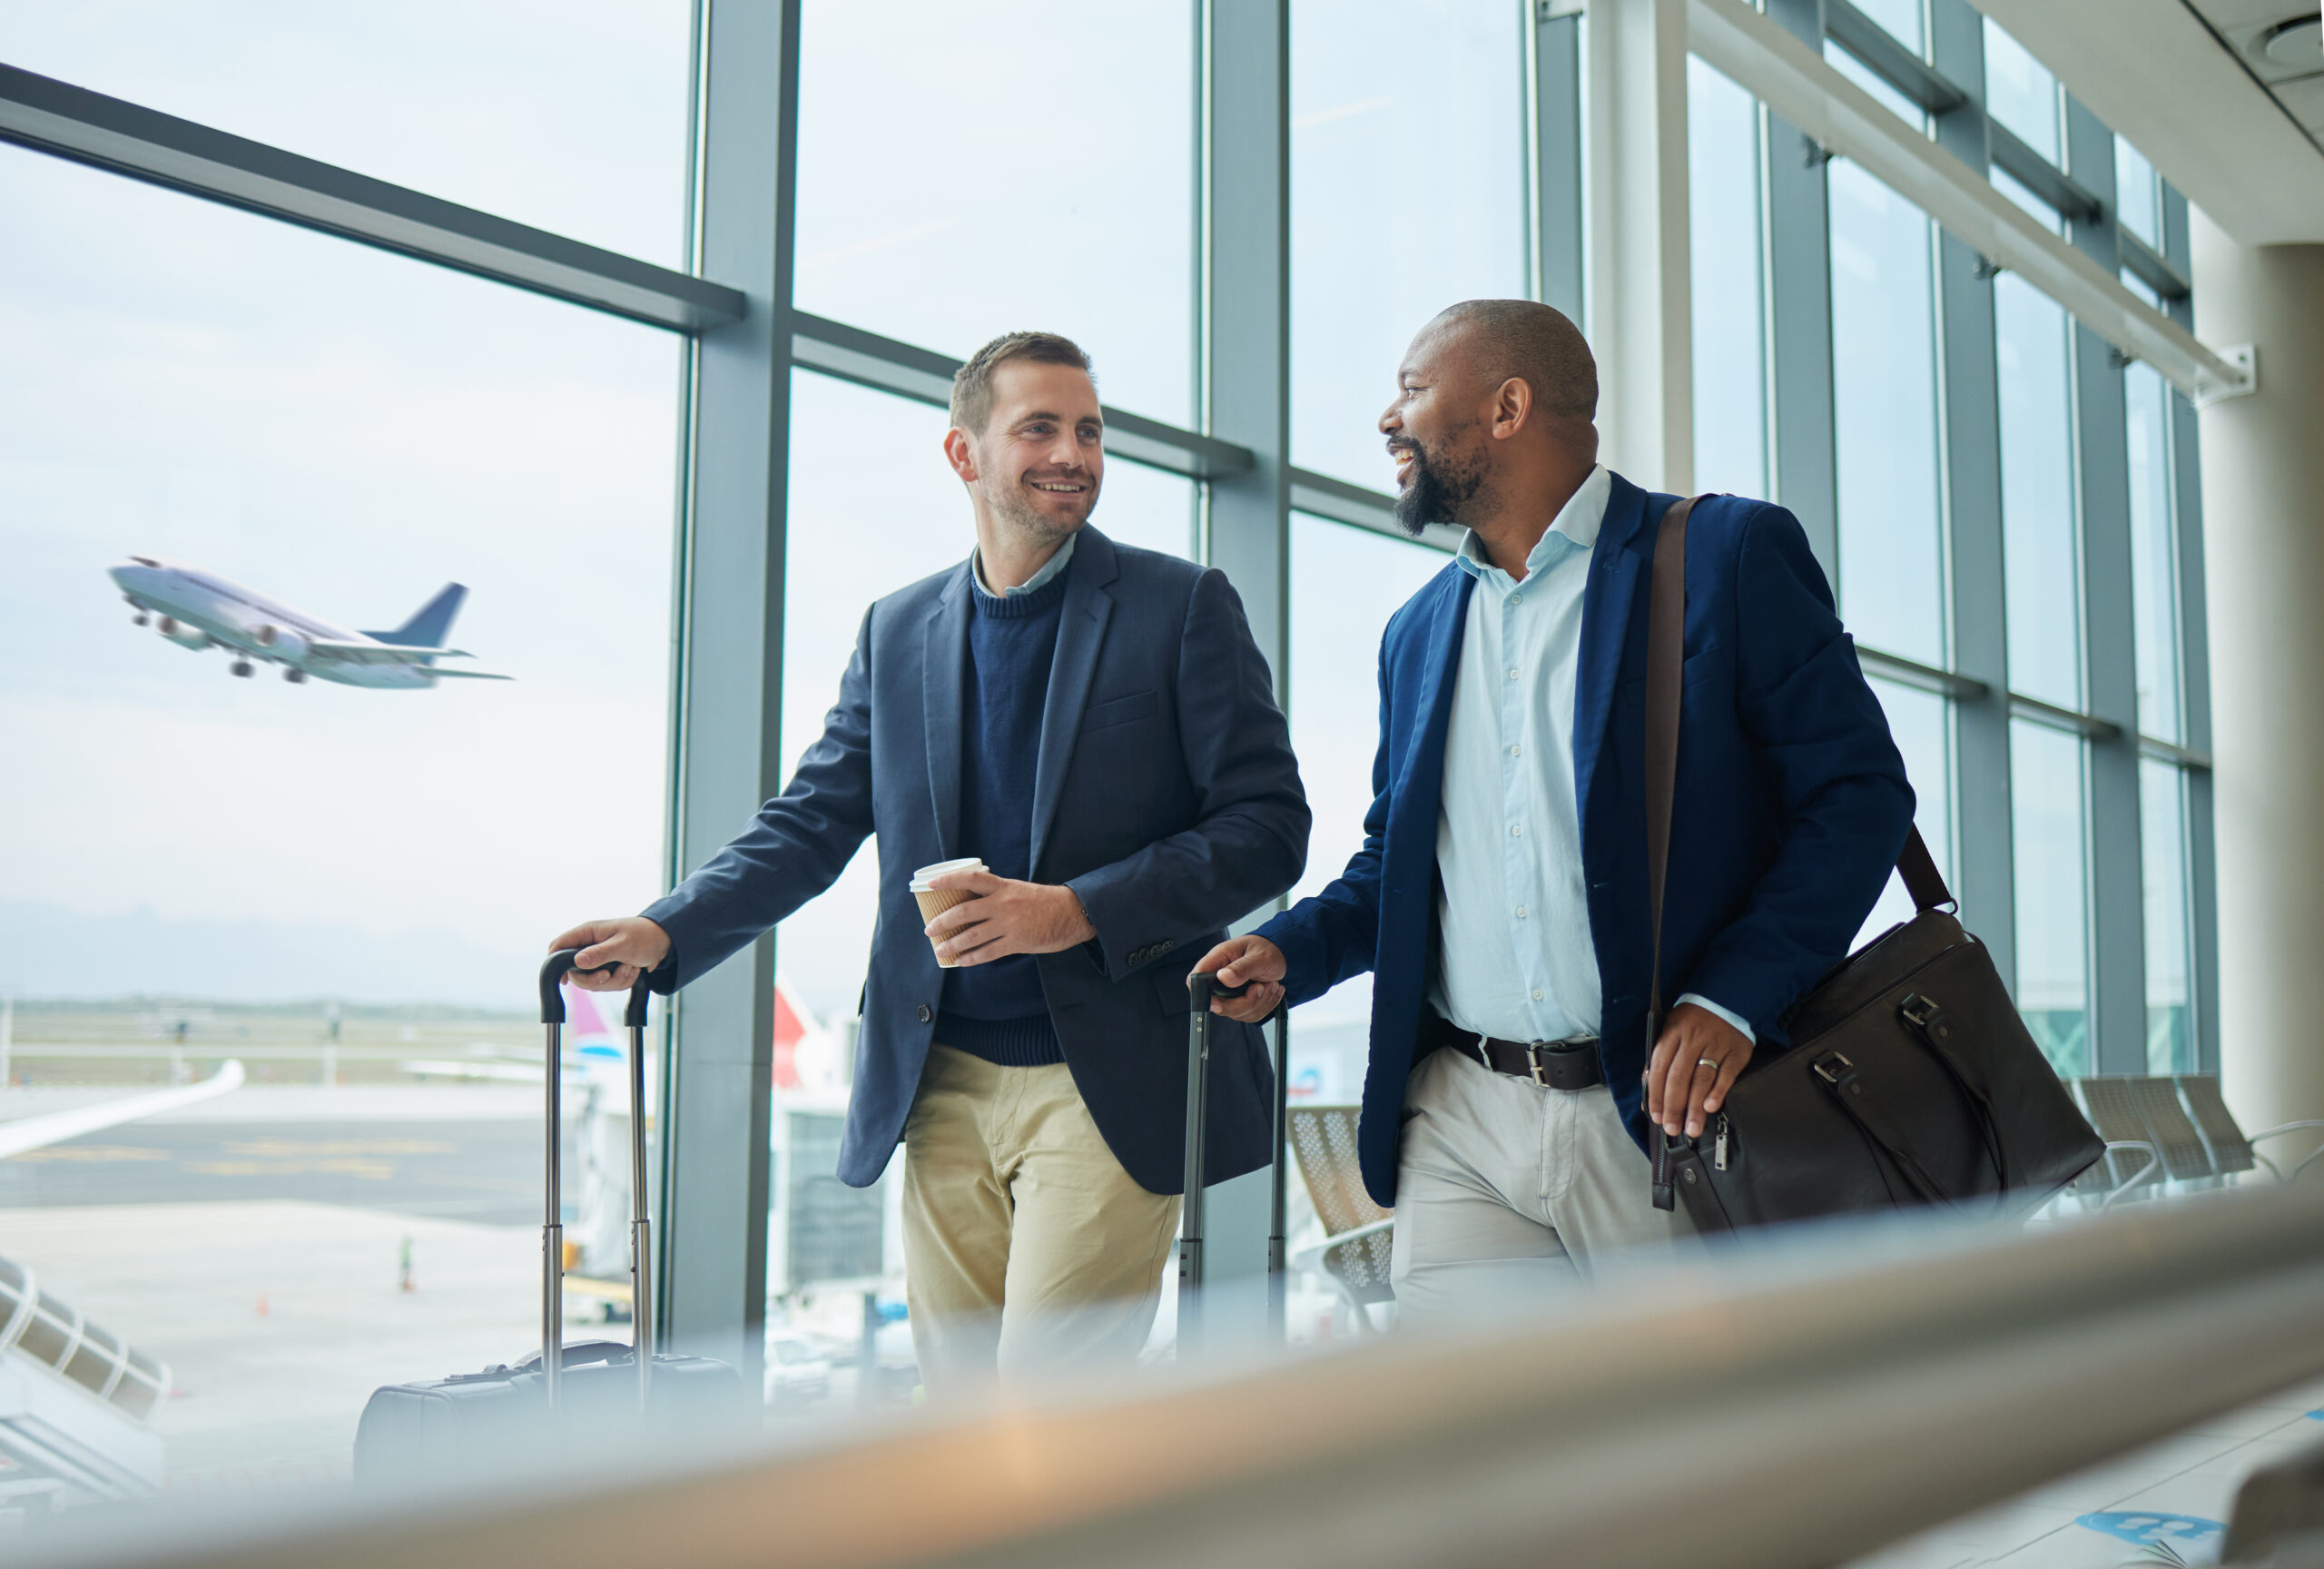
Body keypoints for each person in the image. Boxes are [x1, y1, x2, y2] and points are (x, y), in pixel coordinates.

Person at [553, 331, 1307, 1389]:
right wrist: (668, 929)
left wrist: (1076, 910)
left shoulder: (1179, 607)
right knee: (959, 1424)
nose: (1073, 453)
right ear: (964, 455)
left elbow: (1268, 827)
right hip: (937, 1079)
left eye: (1088, 430)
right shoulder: (898, 627)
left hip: (1107, 1082)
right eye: (1038, 427)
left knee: (1048, 1422)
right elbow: (811, 820)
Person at [1193, 301, 1912, 1321]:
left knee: (1681, 1456)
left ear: (1507, 406)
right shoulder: (1419, 632)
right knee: (1483, 1457)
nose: (1386, 420)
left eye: (1410, 390)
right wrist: (1290, 954)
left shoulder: (1722, 557)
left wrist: (1731, 998)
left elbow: (1856, 795)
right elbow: (1397, 864)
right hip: (1462, 1119)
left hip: (1660, 1119)